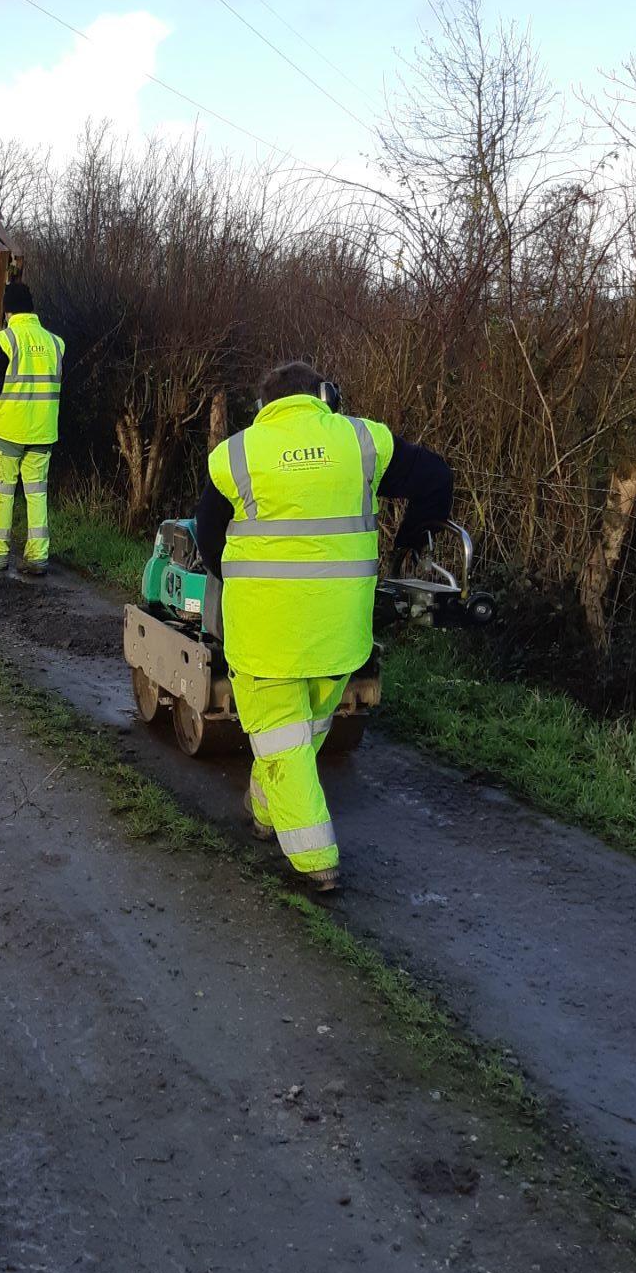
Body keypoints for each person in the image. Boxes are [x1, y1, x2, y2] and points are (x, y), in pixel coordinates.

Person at [193, 361, 451, 892]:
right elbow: (437, 477)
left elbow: (207, 536)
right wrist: (407, 545)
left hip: (265, 639)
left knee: (284, 742)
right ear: (324, 396)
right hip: (339, 636)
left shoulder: (238, 453)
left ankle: (317, 862)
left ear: (264, 407)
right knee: (299, 734)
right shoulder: (361, 441)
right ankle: (264, 812)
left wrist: (237, 580)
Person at [0, 280, 64, 578]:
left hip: (8, 432)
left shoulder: (4, 340)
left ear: (7, 310)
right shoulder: (56, 343)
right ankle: (37, 558)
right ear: (32, 308)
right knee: (37, 495)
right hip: (43, 433)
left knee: (3, 493)